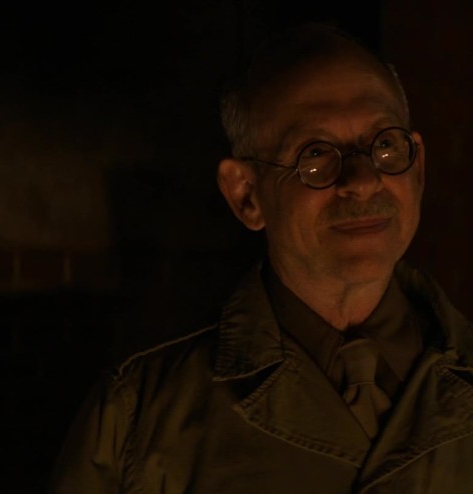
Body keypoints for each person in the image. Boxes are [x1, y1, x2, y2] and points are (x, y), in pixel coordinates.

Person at [49, 22, 473, 493]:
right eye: (316, 154)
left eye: (386, 145)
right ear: (245, 195)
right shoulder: (139, 418)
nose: (363, 180)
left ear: (419, 168)